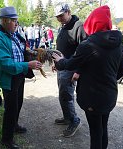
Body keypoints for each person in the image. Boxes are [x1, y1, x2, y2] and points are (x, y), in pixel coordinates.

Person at [53, 5, 123, 149]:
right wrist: (107, 78)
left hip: (93, 97)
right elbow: (121, 70)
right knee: (103, 128)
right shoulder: (119, 43)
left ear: (92, 23)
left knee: (96, 132)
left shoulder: (88, 45)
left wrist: (60, 61)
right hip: (109, 95)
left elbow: (70, 64)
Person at [0, 6, 42, 149]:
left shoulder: (12, 32)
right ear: (5, 21)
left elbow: (19, 48)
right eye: (14, 21)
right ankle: (6, 139)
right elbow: (5, 64)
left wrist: (28, 52)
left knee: (18, 103)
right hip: (8, 77)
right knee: (11, 108)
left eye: (17, 21)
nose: (17, 24)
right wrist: (27, 65)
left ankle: (15, 125)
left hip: (18, 74)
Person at [53, 2, 87, 137]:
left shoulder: (79, 26)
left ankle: (74, 120)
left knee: (67, 96)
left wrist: (78, 71)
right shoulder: (64, 26)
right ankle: (67, 117)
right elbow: (60, 47)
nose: (59, 18)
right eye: (57, 17)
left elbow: (85, 51)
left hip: (70, 68)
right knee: (62, 95)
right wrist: (55, 63)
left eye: (61, 15)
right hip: (62, 67)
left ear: (68, 12)